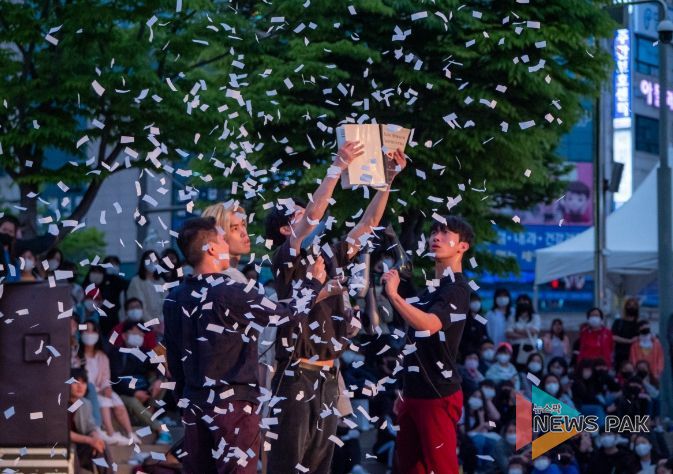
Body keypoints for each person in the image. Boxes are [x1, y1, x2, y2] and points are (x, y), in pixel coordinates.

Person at [266, 143, 405, 473]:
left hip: (329, 373)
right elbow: (314, 215)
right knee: (289, 462)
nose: (310, 217)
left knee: (320, 463)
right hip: (297, 372)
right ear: (285, 230)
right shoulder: (286, 258)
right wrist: (337, 167)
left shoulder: (327, 255)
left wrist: (387, 180)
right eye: (298, 215)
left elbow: (368, 224)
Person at [163, 217, 326, 473]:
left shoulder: (174, 298)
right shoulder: (230, 291)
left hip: (194, 403)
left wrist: (183, 400)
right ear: (211, 249)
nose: (226, 244)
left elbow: (173, 360)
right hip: (234, 406)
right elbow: (288, 315)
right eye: (222, 239)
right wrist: (313, 283)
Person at [381, 214, 472, 473]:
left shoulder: (457, 289)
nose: (436, 237)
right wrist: (404, 389)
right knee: (409, 468)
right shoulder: (431, 289)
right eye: (434, 232)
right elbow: (413, 340)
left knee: (443, 468)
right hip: (413, 393)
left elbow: (429, 325)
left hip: (437, 394)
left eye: (445, 233)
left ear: (462, 246)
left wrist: (394, 296)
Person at [109, 320, 171, 445]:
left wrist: (159, 380)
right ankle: (160, 429)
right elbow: (113, 380)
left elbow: (160, 368)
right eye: (135, 333)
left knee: (162, 381)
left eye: (141, 334)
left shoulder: (145, 352)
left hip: (144, 392)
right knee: (130, 400)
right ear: (124, 336)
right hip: (124, 395)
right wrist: (134, 393)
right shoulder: (116, 353)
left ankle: (149, 414)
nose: (139, 336)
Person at [79, 320, 137, 445]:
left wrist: (107, 387)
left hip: (101, 389)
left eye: (93, 331)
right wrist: (98, 390)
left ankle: (130, 433)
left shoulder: (102, 356)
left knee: (117, 402)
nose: (89, 334)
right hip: (86, 390)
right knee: (105, 401)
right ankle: (111, 433)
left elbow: (106, 377)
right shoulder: (77, 355)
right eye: (86, 331)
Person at [68, 368, 112, 474]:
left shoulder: (85, 403)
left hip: (80, 447)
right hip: (62, 447)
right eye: (75, 382)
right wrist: (89, 440)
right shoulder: (59, 403)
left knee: (101, 445)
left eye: (83, 383)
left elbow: (90, 427)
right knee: (74, 449)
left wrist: (95, 438)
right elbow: (62, 433)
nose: (80, 386)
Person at [127, 250, 165, 335]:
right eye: (149, 260)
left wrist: (162, 321)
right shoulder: (136, 281)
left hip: (162, 325)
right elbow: (139, 305)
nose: (152, 263)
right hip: (143, 324)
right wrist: (152, 323)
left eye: (155, 260)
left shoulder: (161, 281)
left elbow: (166, 301)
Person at [506, 300, 541, 368]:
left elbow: (534, 331)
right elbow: (509, 334)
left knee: (530, 368)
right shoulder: (512, 317)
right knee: (516, 367)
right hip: (516, 348)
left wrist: (517, 330)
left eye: (526, 311)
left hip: (530, 347)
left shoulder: (535, 317)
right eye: (522, 311)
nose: (524, 313)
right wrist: (526, 334)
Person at [612, 297, 640, 370]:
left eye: (634, 305)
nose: (631, 307)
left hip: (636, 355)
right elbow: (613, 336)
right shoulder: (618, 322)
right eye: (629, 305)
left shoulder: (639, 324)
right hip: (620, 355)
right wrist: (629, 341)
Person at [460, 292, 490, 357]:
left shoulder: (481, 318)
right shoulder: (462, 318)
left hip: (478, 351)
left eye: (478, 300)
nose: (476, 303)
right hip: (464, 351)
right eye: (473, 300)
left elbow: (485, 334)